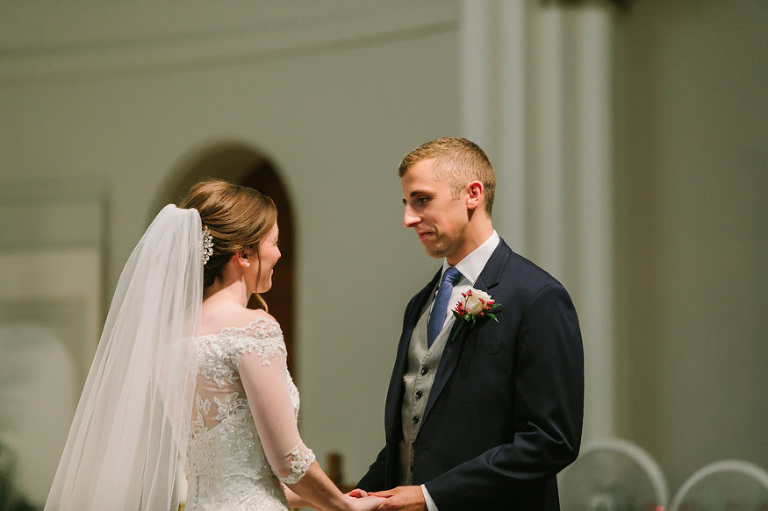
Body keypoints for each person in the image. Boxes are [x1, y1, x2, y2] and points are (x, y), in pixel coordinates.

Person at [45, 179, 382, 511]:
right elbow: (287, 460)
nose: (279, 253)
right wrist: (341, 504)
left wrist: (318, 498)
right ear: (244, 254)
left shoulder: (169, 338)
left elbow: (236, 478)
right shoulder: (253, 327)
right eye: (275, 242)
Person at [356, 138, 584, 510]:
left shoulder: (537, 296)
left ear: (472, 194)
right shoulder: (419, 303)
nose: (408, 219)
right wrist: (355, 497)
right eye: (406, 204)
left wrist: (432, 497)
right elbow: (410, 440)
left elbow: (551, 440)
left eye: (422, 200)